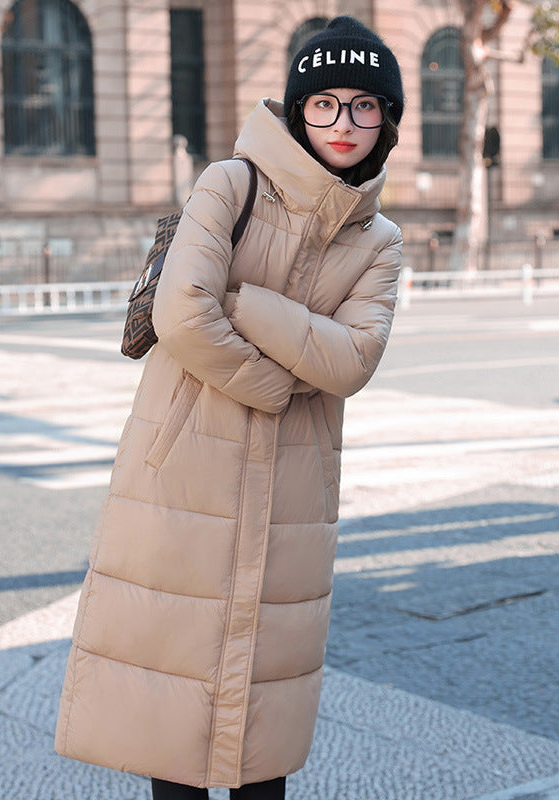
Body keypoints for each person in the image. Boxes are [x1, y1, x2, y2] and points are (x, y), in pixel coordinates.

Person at [55, 16, 404, 800]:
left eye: (364, 106)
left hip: (292, 491)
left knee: (262, 726)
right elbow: (180, 315)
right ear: (297, 108)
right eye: (323, 103)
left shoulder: (379, 239)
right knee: (171, 718)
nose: (343, 123)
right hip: (185, 470)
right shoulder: (229, 183)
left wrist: (244, 302)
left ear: (387, 120)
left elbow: (352, 360)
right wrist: (279, 381)